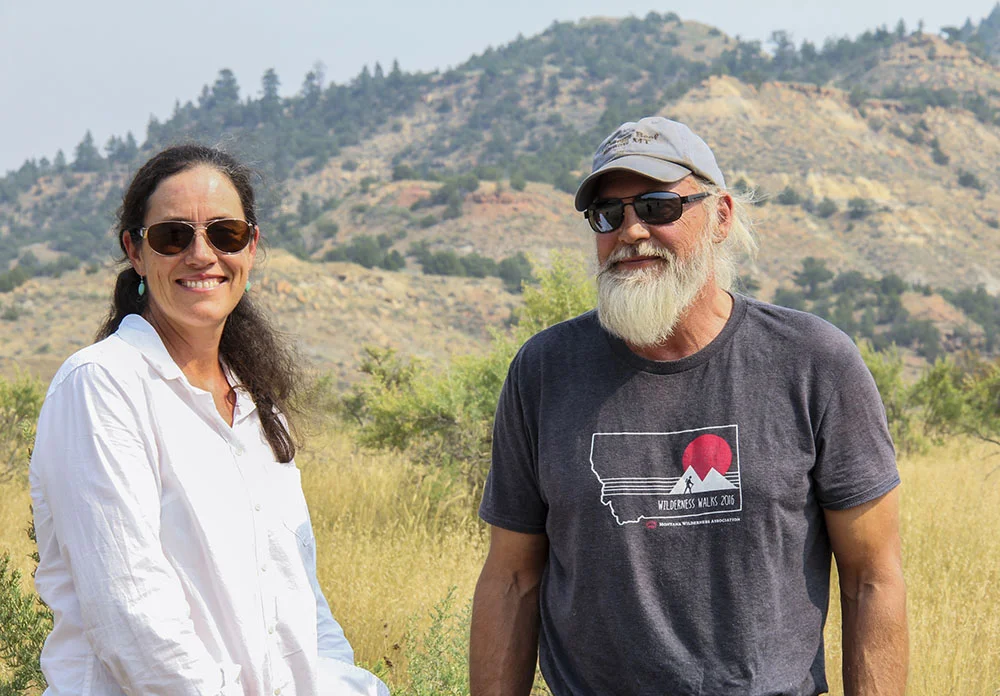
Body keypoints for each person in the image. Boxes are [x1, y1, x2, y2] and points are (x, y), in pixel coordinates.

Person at [470, 117, 907, 695]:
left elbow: (871, 578)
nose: (631, 230)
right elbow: (512, 579)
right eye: (607, 214)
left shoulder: (813, 362)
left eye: (658, 207)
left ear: (721, 216)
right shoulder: (546, 370)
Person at [29, 145, 388, 696]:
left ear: (251, 246)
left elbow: (300, 600)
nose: (202, 255)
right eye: (173, 236)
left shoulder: (256, 408)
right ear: (135, 250)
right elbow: (134, 621)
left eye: (225, 234)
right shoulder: (103, 385)